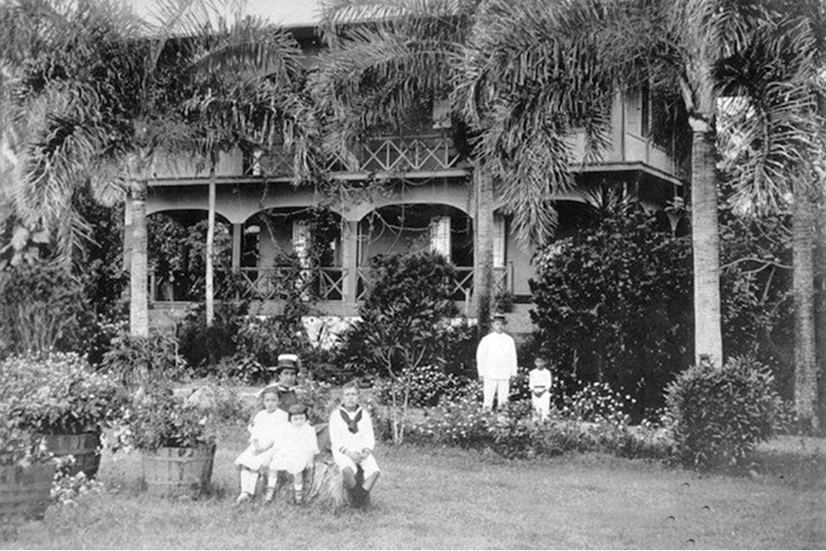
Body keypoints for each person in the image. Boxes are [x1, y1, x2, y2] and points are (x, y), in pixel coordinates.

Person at [234, 386, 288, 504]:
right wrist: (257, 445)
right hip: (258, 445)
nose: (270, 403)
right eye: (267, 400)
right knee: (244, 463)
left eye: (273, 400)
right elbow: (255, 432)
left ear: (279, 402)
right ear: (263, 402)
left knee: (255, 466)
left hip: (271, 447)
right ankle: (244, 492)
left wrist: (263, 449)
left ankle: (251, 493)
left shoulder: (282, 416)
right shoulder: (261, 415)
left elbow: (277, 437)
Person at [329, 381, 379, 507]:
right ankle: (354, 494)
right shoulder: (336, 416)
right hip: (344, 451)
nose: (350, 397)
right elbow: (335, 439)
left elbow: (369, 436)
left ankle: (359, 496)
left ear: (358, 397)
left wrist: (366, 451)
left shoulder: (364, 415)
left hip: (361, 451)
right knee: (346, 469)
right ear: (343, 397)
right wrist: (348, 453)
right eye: (347, 395)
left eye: (353, 394)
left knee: (375, 471)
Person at [266, 403, 319, 505]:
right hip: (286, 451)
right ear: (290, 419)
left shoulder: (309, 429)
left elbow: (312, 446)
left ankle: (298, 495)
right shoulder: (286, 428)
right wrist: (271, 455)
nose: (298, 421)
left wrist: (310, 458)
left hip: (300, 453)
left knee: (297, 471)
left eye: (301, 418)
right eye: (295, 419)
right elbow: (279, 443)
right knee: (273, 466)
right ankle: (270, 491)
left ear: (306, 418)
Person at [475, 312, 518, 410]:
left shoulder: (508, 340)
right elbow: (480, 357)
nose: (500, 326)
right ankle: (486, 418)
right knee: (488, 397)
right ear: (493, 325)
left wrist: (513, 373)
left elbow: (513, 357)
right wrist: (481, 373)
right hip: (490, 373)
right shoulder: (487, 340)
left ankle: (502, 420)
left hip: (504, 373)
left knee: (503, 398)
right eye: (497, 324)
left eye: (502, 324)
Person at [529, 356, 553, 421]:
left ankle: (544, 420)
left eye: (541, 362)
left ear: (544, 362)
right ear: (535, 363)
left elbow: (548, 384)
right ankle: (536, 421)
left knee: (544, 407)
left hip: (544, 391)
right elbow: (531, 384)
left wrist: (542, 391)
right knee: (535, 406)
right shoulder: (532, 372)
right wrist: (534, 391)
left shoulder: (547, 372)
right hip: (535, 391)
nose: (539, 364)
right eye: (537, 362)